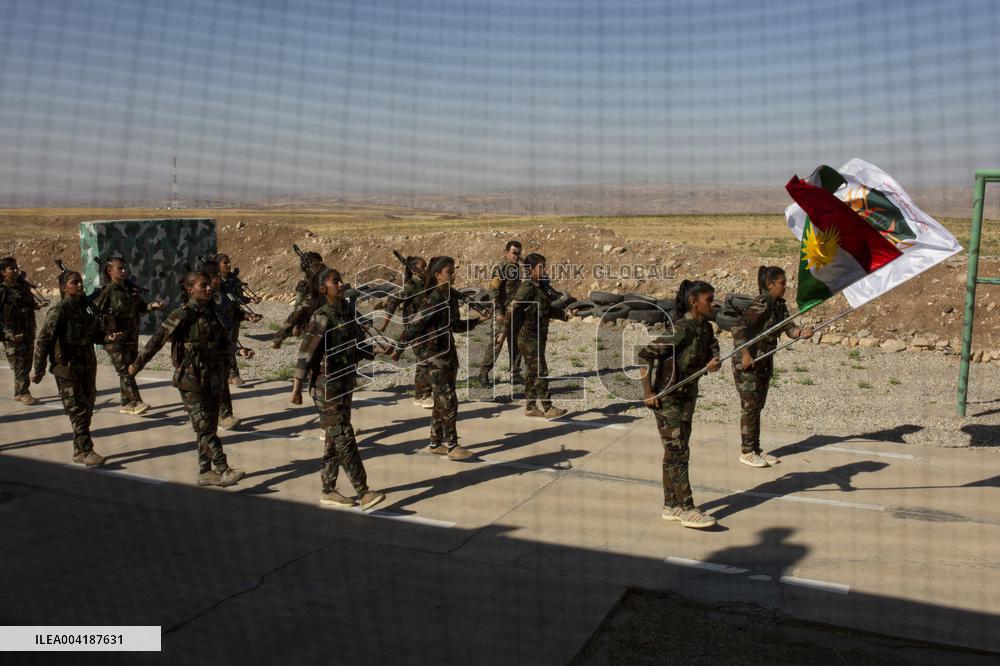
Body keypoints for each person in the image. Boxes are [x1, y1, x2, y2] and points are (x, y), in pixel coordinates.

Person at [128, 271, 252, 487]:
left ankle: (205, 472)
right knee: (203, 427)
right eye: (202, 285)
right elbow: (157, 340)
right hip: (190, 378)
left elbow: (223, 343)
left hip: (213, 376)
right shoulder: (182, 314)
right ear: (189, 289)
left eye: (208, 285)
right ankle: (223, 469)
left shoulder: (214, 312)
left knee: (209, 426)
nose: (208, 288)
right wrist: (136, 365)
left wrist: (239, 351)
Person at [290, 267, 386, 510]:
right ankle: (363, 491)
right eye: (335, 281)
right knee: (343, 435)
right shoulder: (322, 317)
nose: (341, 284)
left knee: (334, 440)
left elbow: (357, 347)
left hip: (344, 383)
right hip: (326, 386)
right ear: (323, 289)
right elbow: (306, 354)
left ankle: (328, 490)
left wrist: (377, 351)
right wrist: (296, 388)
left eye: (341, 280)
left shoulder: (347, 314)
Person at [638, 279, 721, 529]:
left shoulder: (705, 329)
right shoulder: (681, 329)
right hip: (668, 400)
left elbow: (711, 356)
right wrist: (648, 392)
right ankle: (687, 508)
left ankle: (670, 504)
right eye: (709, 299)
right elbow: (645, 354)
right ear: (694, 303)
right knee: (679, 454)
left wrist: (713, 364)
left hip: (687, 400)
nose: (713, 303)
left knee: (674, 452)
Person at [392, 256, 488, 460]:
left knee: (441, 401)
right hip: (434, 356)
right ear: (438, 275)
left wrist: (478, 320)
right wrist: (398, 349)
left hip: (448, 354)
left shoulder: (449, 297)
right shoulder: (433, 298)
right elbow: (413, 326)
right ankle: (452, 445)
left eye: (453, 272)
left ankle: (436, 443)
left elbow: (456, 326)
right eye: (449, 272)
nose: (453, 276)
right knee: (449, 401)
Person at [731, 266, 813, 468]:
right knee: (750, 407)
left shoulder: (778, 305)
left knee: (758, 405)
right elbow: (738, 328)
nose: (786, 286)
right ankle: (746, 451)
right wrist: (746, 355)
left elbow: (788, 327)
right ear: (770, 285)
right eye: (782, 283)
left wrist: (800, 333)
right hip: (747, 363)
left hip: (764, 361)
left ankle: (756, 449)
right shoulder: (761, 304)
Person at [31, 270, 110, 466]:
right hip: (66, 368)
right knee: (78, 411)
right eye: (75, 283)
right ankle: (87, 451)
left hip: (87, 367)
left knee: (88, 407)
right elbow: (43, 341)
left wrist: (107, 337)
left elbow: (95, 334)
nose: (80, 286)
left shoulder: (86, 308)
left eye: (81, 282)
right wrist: (38, 370)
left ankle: (78, 451)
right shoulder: (59, 312)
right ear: (64, 287)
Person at [93, 256, 165, 415]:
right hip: (114, 338)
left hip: (131, 337)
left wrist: (153, 306)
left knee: (131, 369)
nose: (124, 271)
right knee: (124, 370)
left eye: (124, 268)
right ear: (110, 271)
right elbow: (94, 312)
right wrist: (104, 334)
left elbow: (141, 306)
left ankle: (125, 403)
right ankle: (136, 401)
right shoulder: (107, 291)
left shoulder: (129, 289)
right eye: (120, 268)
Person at [509, 253, 569, 419]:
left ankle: (530, 407)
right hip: (527, 337)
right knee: (541, 370)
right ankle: (548, 408)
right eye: (541, 267)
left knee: (532, 372)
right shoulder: (527, 287)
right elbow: (512, 309)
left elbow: (547, 310)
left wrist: (564, 315)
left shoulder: (540, 287)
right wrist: (503, 331)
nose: (545, 270)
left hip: (538, 336)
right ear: (531, 270)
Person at [378, 255, 432, 408]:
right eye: (423, 267)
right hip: (413, 325)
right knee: (424, 357)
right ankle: (425, 394)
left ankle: (420, 394)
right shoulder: (411, 285)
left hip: (424, 325)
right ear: (415, 271)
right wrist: (385, 323)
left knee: (424, 357)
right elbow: (394, 299)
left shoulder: (425, 283)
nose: (426, 270)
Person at [477, 240, 524, 385]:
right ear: (506, 253)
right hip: (502, 313)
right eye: (514, 253)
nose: (516, 256)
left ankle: (515, 374)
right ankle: (483, 373)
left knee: (516, 343)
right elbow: (493, 291)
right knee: (497, 342)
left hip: (514, 313)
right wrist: (498, 312)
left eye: (519, 253)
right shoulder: (501, 268)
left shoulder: (516, 268)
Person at [0, 256, 41, 404]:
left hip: (27, 330)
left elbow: (26, 304)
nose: (16, 270)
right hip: (12, 334)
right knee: (19, 363)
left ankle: (18, 392)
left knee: (27, 362)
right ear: (3, 272)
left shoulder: (22, 287)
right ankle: (24, 392)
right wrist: (7, 333)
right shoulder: (2, 290)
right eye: (11, 268)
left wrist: (34, 307)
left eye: (16, 267)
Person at [217, 253, 262, 386]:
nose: (228, 265)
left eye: (229, 262)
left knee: (232, 342)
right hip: (220, 317)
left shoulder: (233, 280)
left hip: (234, 316)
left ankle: (232, 374)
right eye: (225, 263)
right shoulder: (215, 282)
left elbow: (239, 298)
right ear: (218, 265)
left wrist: (251, 301)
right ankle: (230, 374)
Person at [273, 251, 325, 349]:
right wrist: (297, 326)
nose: (319, 266)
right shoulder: (304, 284)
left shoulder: (328, 279)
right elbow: (298, 308)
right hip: (312, 322)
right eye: (316, 264)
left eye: (320, 263)